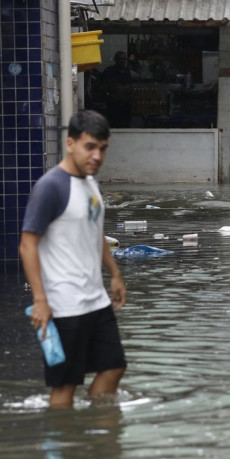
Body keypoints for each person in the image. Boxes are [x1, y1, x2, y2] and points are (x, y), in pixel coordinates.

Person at [19, 110, 128, 408]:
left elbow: (95, 232)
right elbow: (28, 245)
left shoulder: (90, 182)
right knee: (65, 387)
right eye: (89, 147)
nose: (97, 155)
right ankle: (66, 443)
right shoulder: (50, 187)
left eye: (102, 148)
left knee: (114, 366)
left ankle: (96, 437)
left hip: (96, 300)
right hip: (64, 306)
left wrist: (114, 274)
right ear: (70, 143)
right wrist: (40, 300)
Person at [101, 51, 132, 128]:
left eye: (124, 59)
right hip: (113, 104)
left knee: (125, 126)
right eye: (120, 59)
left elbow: (129, 85)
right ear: (115, 59)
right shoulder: (109, 71)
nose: (122, 61)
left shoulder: (127, 71)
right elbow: (103, 88)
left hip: (125, 104)